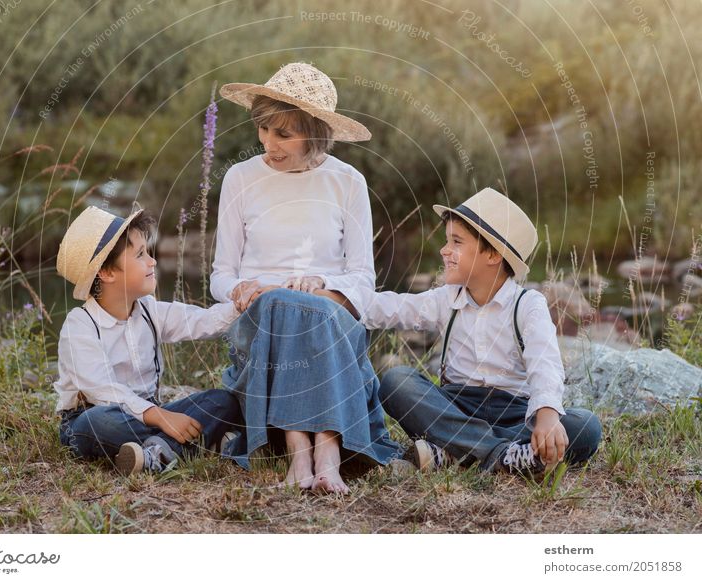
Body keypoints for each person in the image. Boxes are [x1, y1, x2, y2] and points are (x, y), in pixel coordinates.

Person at [211, 62, 400, 493]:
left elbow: (362, 279)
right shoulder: (239, 178)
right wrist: (238, 288)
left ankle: (308, 457)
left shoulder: (348, 182)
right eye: (263, 129)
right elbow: (221, 275)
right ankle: (318, 453)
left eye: (284, 133)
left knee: (308, 309)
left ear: (315, 133)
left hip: (331, 316)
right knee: (282, 304)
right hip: (263, 324)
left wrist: (324, 287)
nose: (267, 142)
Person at [345, 188, 602, 476]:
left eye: (456, 242)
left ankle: (455, 453)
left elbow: (545, 364)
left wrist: (547, 415)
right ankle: (502, 455)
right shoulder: (446, 299)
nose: (444, 250)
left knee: (586, 427)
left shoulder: (528, 305)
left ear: (492, 254)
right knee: (396, 381)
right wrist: (335, 295)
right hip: (456, 407)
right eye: (447, 241)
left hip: (514, 413)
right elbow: (389, 307)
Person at [54, 205, 242, 475]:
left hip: (153, 417)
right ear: (107, 273)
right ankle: (190, 444)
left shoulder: (150, 310)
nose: (152, 261)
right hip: (98, 417)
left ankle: (155, 454)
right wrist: (161, 417)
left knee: (222, 401)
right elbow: (103, 390)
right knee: (96, 422)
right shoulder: (80, 324)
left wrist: (244, 302)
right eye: (140, 254)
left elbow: (205, 321)